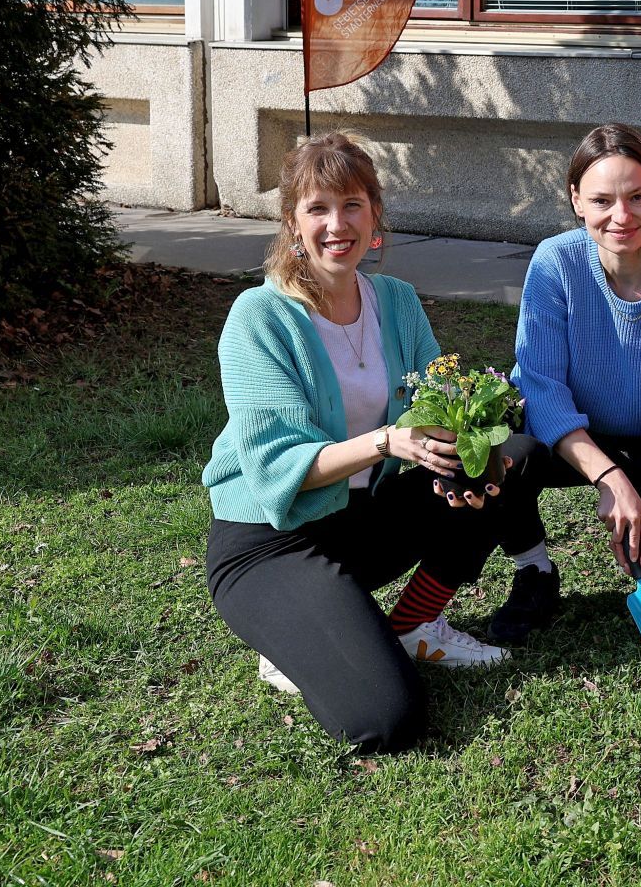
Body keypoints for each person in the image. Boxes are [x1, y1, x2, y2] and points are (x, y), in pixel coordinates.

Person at [204, 132, 527, 754]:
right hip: (270, 543)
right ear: (292, 223)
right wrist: (388, 441)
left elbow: (441, 403)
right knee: (388, 719)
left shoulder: (398, 303)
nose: (337, 224)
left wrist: (467, 442)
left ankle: (411, 625)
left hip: (357, 519)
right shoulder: (260, 317)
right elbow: (275, 468)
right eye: (317, 208)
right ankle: (292, 635)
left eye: (352, 204)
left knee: (510, 459)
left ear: (375, 214)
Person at [485, 124, 641, 644]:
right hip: (564, 437)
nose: (622, 216)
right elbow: (542, 391)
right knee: (502, 456)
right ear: (576, 201)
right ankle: (535, 572)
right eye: (602, 200)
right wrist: (610, 479)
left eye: (637, 197)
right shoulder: (555, 265)